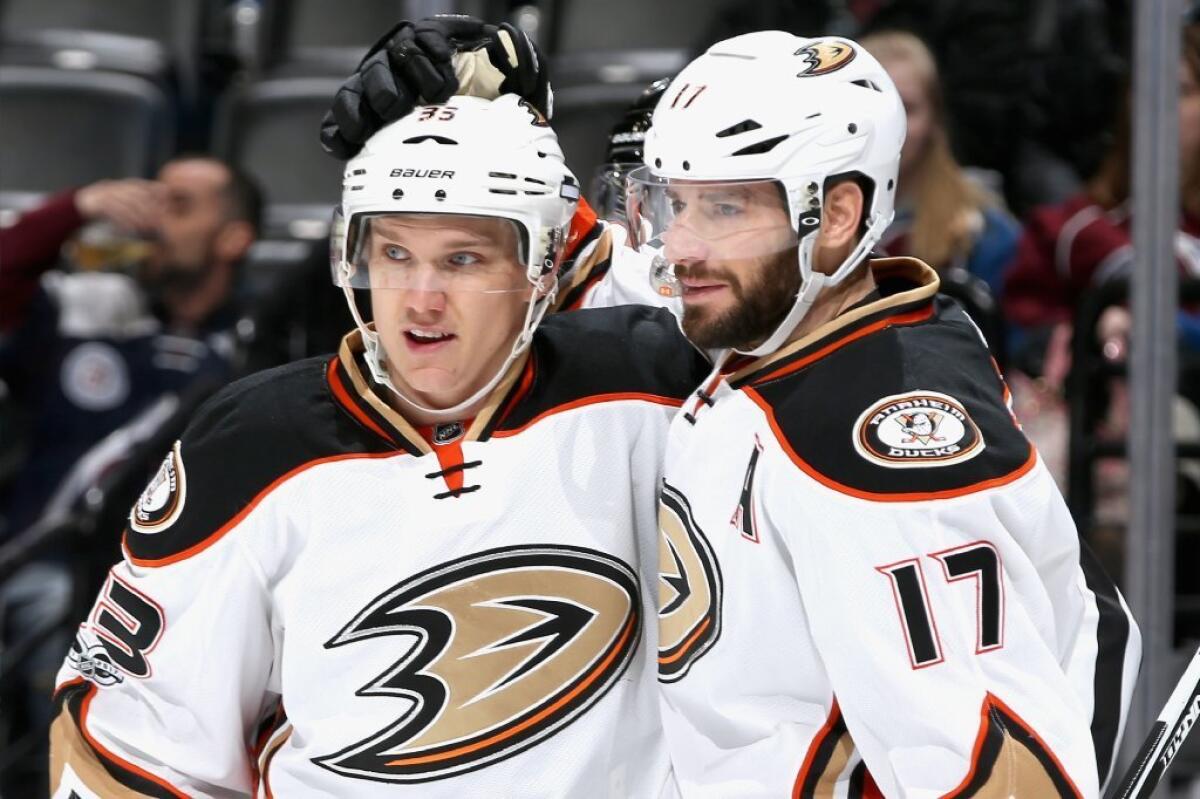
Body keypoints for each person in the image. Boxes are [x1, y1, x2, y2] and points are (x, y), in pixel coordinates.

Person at [49, 94, 707, 797]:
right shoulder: (257, 441)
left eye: (462, 259)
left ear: (542, 267)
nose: (420, 298)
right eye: (395, 253)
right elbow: (132, 742)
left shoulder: (655, 390)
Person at [621, 32, 1141, 796]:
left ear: (836, 217)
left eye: (726, 208)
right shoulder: (795, 334)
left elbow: (989, 762)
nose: (681, 245)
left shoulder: (869, 441)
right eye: (677, 204)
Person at [860, 30, 1019, 301]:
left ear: (935, 118)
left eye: (906, 108)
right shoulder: (805, 219)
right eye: (871, 106)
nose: (890, 125)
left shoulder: (983, 229)